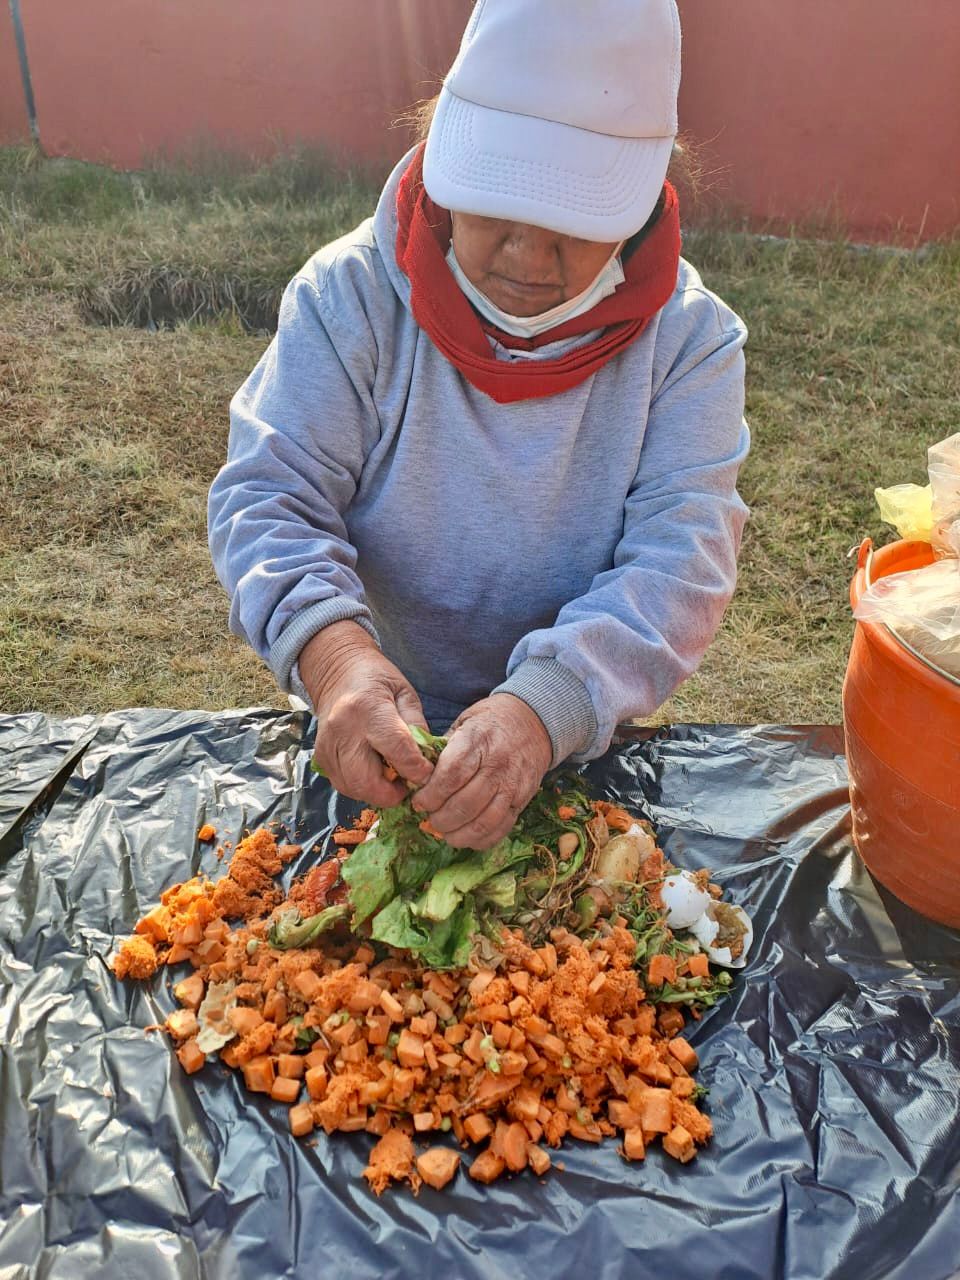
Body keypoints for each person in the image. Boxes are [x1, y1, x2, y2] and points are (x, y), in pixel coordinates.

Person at [208, 0, 749, 851]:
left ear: (646, 199)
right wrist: (335, 657)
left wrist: (544, 707)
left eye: (576, 222)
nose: (529, 261)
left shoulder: (691, 343)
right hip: (374, 734)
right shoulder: (348, 298)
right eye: (497, 206)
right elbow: (272, 493)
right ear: (442, 153)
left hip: (577, 733)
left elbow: (683, 556)